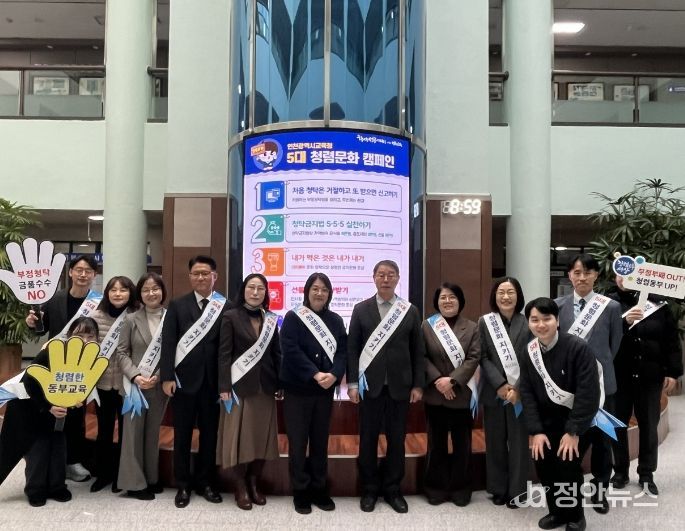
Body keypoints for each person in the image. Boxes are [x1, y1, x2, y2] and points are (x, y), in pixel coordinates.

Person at [347, 260, 425, 514]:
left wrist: (418, 384)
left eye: (391, 275)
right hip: (370, 387)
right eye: (381, 274)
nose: (386, 279)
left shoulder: (410, 311)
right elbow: (352, 349)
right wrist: (352, 383)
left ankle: (393, 489)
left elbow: (418, 350)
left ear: (398, 278)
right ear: (374, 277)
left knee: (397, 439)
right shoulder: (361, 309)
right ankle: (369, 489)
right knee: (368, 439)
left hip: (400, 387)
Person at [520, 298, 600, 531]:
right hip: (545, 423)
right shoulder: (529, 351)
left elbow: (588, 393)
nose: (540, 325)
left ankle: (575, 516)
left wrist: (573, 431)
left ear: (557, 320)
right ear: (529, 323)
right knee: (544, 467)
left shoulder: (578, 348)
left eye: (546, 319)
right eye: (534, 320)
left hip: (574, 422)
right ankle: (556, 512)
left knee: (567, 467)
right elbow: (526, 392)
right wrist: (536, 431)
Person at [555, 254, 622, 514]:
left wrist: (598, 371)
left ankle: (600, 490)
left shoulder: (611, 307)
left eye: (587, 272)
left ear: (596, 275)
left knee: (603, 442)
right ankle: (570, 492)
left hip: (604, 386)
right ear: (569, 275)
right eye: (577, 272)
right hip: (568, 388)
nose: (582, 277)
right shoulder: (557, 306)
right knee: (571, 439)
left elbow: (614, 345)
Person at [25, 255, 99, 483]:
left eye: (88, 270)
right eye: (79, 269)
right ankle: (54, 461)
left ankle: (73, 461)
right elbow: (41, 328)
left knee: (76, 415)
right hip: (56, 364)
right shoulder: (55, 298)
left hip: (82, 366)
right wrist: (32, 323)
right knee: (54, 412)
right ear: (70, 272)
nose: (83, 274)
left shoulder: (98, 303)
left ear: (94, 275)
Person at [161, 255, 227, 508]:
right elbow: (168, 342)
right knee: (183, 435)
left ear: (214, 276)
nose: (201, 277)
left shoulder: (225, 306)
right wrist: (167, 376)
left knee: (210, 436)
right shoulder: (177, 305)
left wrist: (225, 384)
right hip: (182, 383)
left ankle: (205, 482)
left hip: (212, 385)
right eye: (196, 273)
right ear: (190, 277)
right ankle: (183, 485)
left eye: (205, 273)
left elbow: (227, 348)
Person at [608, 275, 683, 495]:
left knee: (649, 425)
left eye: (630, 273)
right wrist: (623, 322)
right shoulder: (608, 303)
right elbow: (603, 336)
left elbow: (671, 340)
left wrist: (672, 372)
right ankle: (620, 471)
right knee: (617, 424)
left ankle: (646, 473)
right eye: (620, 274)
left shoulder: (658, 303)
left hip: (650, 375)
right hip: (618, 376)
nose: (624, 278)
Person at [279, 273, 347, 514]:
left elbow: (342, 352)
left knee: (320, 441)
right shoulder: (293, 317)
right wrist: (315, 374)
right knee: (298, 443)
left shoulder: (336, 320)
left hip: (324, 392)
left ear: (330, 294)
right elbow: (290, 349)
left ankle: (319, 489)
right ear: (307, 291)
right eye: (315, 288)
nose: (320, 293)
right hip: (298, 390)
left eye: (324, 289)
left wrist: (335, 374)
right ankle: (300, 491)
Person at [217, 273, 281, 510]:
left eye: (260, 289)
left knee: (261, 439)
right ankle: (240, 486)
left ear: (266, 293)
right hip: (239, 387)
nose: (255, 292)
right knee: (239, 438)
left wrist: (279, 383)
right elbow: (224, 354)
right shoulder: (230, 316)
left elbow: (276, 353)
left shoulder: (270, 319)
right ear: (243, 290)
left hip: (265, 387)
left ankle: (254, 482)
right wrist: (224, 386)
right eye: (251, 287)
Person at [22, 317, 100, 506]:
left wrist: (77, 400)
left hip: (64, 415)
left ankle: (57, 487)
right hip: (40, 410)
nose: (85, 340)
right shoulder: (52, 350)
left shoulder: (89, 358)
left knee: (59, 449)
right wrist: (48, 407)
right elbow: (29, 380)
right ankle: (35, 489)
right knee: (39, 452)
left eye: (91, 336)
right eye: (80, 335)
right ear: (70, 335)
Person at [422, 282, 480, 506]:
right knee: (435, 444)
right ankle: (435, 487)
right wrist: (438, 380)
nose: (447, 301)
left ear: (460, 301)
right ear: (437, 302)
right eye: (443, 297)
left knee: (462, 444)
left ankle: (461, 488)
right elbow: (422, 355)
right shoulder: (427, 326)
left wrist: (452, 381)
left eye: (452, 297)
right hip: (435, 394)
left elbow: (473, 358)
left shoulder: (472, 327)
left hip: (461, 395)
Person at [115, 272, 169, 500]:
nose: (151, 293)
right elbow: (121, 352)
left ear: (162, 291)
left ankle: (151, 478)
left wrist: (159, 375)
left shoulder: (171, 318)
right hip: (134, 387)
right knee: (132, 435)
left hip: (158, 386)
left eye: (155, 288)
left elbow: (175, 352)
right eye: (146, 290)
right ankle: (134, 484)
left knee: (152, 433)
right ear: (140, 294)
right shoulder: (130, 319)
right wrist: (136, 376)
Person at [479, 277, 530, 508]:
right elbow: (482, 357)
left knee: (519, 444)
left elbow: (533, 358)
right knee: (495, 442)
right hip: (494, 392)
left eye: (511, 292)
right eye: (501, 292)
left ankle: (518, 490)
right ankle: (498, 488)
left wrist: (516, 388)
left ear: (518, 296)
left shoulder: (528, 322)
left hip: (520, 394)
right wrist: (500, 384)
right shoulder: (484, 322)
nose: (506, 297)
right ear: (494, 296)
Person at [89, 275, 139, 492]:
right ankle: (103, 474)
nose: (118, 294)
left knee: (126, 433)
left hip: (127, 384)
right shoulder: (95, 316)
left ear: (131, 293)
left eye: (123, 290)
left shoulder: (137, 316)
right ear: (107, 293)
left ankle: (122, 475)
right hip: (102, 384)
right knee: (104, 430)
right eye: (113, 290)